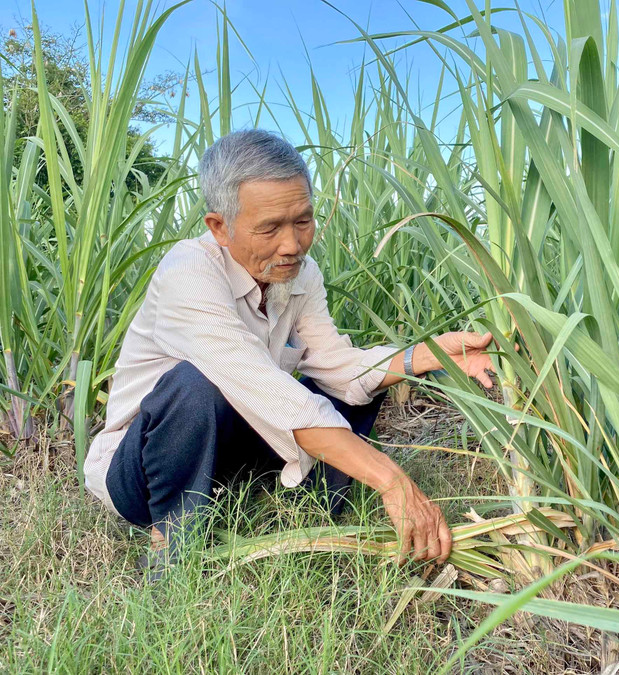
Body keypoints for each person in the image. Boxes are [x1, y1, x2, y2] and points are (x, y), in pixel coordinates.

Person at [83, 129, 502, 576]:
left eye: (303, 221)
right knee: (197, 385)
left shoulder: (299, 274)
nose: (292, 245)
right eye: (269, 228)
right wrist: (391, 480)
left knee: (349, 386)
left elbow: (337, 366)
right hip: (141, 470)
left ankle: (299, 497)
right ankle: (174, 541)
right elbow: (267, 393)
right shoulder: (189, 274)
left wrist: (433, 354)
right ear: (219, 227)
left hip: (231, 446)